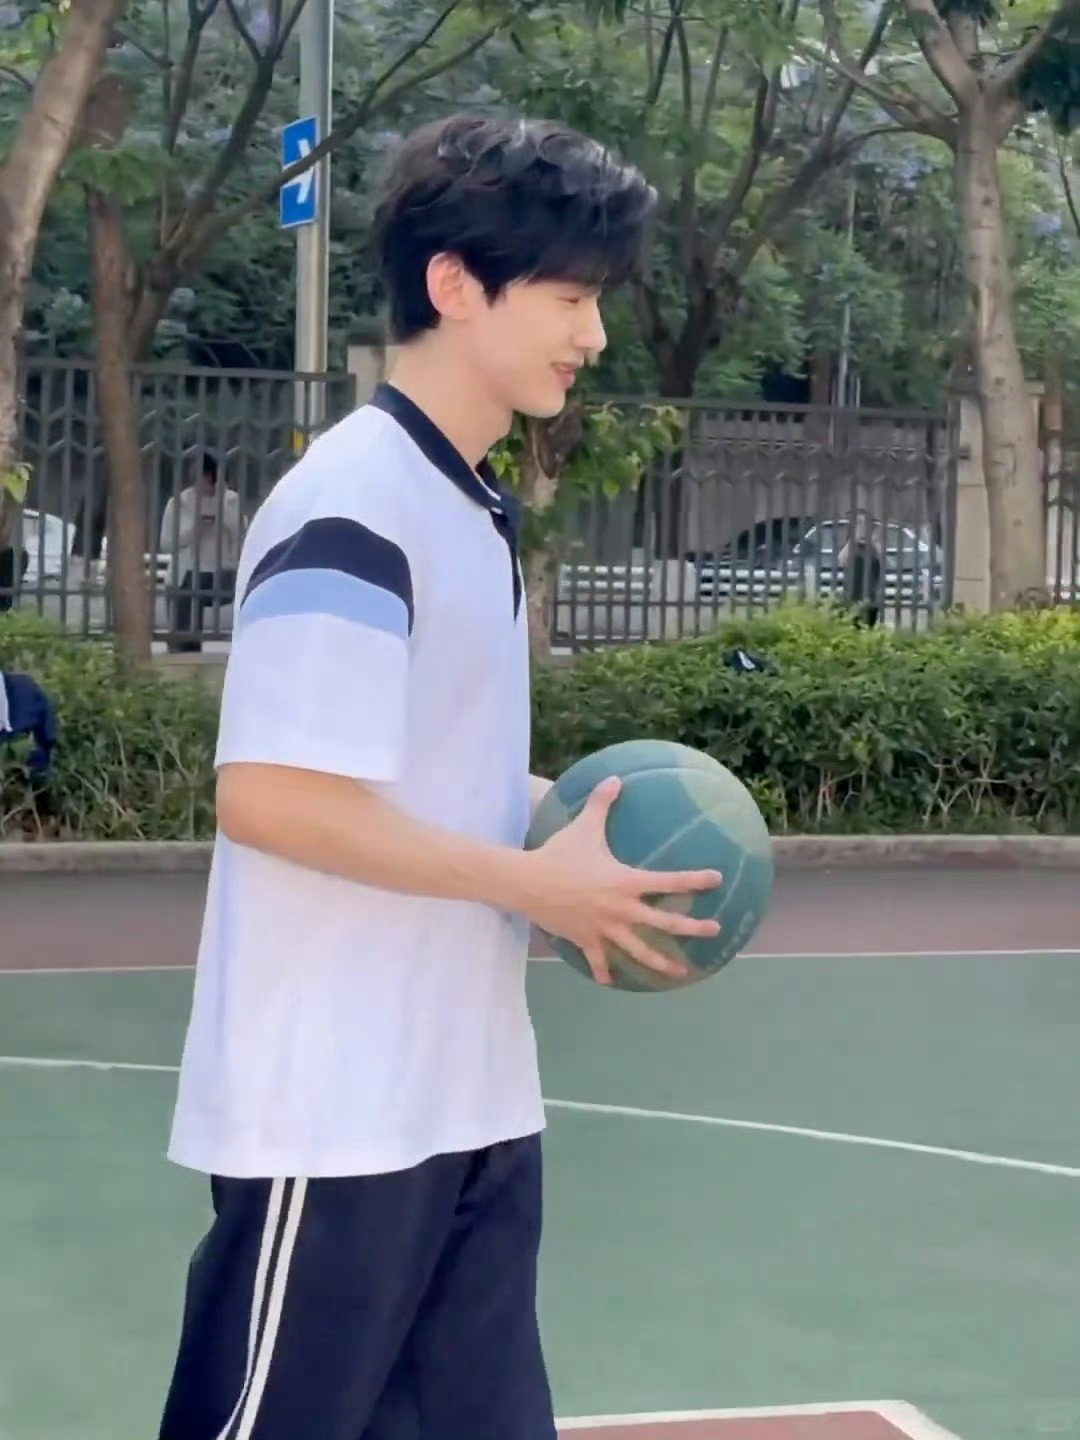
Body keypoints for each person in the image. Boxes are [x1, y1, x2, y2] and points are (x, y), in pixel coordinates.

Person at [157, 114, 724, 1440]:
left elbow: (424, 772)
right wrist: (533, 884)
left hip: (465, 1098)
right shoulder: (354, 505)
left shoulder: (464, 506)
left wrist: (581, 823)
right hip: (336, 1115)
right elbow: (275, 795)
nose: (594, 336)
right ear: (456, 284)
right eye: (571, 299)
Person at [160, 451, 243, 652]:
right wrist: (193, 531)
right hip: (186, 572)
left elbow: (240, 536)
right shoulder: (179, 503)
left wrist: (221, 507)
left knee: (191, 586)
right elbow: (166, 544)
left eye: (209, 481)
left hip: (221, 573)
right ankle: (184, 647)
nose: (204, 487)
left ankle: (185, 644)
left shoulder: (231, 501)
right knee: (186, 588)